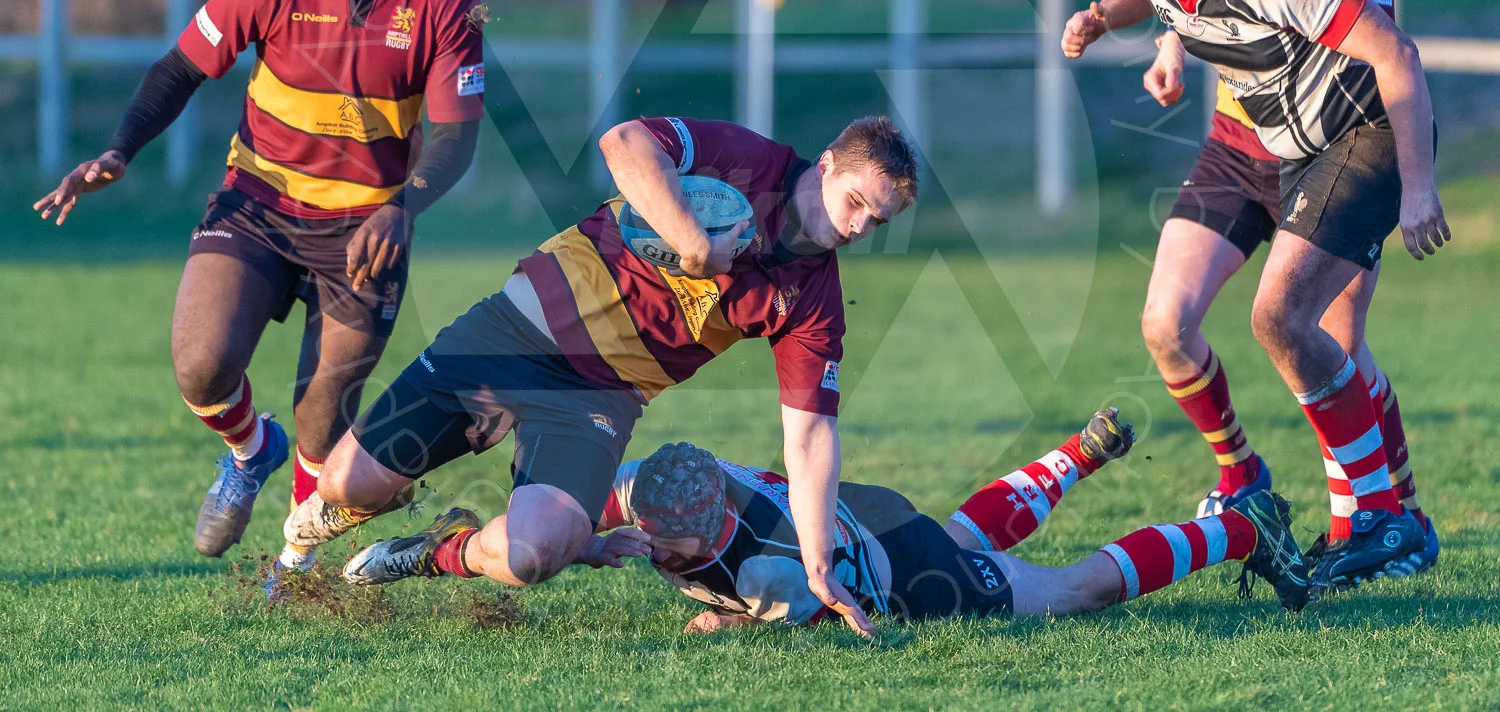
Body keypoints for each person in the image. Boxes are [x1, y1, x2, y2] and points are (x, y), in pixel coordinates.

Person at [32, 0, 486, 571]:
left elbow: (456, 139)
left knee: (323, 419)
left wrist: (403, 206)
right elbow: (181, 67)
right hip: (260, 204)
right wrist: (120, 149)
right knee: (201, 365)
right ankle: (249, 450)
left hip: (366, 228)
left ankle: (290, 568)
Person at [295, 115, 918, 638]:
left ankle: (441, 550)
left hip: (597, 396)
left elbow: (810, 436)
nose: (859, 226)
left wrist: (818, 563)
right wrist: (694, 246)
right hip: (512, 332)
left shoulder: (814, 301)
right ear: (829, 163)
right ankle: (355, 500)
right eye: (857, 201)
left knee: (534, 552)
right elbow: (623, 143)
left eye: (877, 221)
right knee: (346, 484)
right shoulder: (748, 160)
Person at [1061, 0, 1434, 573]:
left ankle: (1389, 516)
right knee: (1167, 321)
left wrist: (1414, 183)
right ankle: (1247, 477)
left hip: (1335, 136)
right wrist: (1145, 32)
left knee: (1324, 337)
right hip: (1241, 139)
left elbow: (1383, 48)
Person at [352, 409, 1312, 629]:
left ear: (710, 533)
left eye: (662, 544)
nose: (642, 539)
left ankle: (1240, 525)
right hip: (863, 512)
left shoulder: (769, 572)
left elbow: (798, 620)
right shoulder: (667, 481)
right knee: (967, 531)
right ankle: (1078, 454)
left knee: (1069, 592)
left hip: (901, 570)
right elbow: (621, 512)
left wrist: (727, 624)